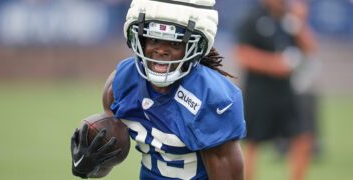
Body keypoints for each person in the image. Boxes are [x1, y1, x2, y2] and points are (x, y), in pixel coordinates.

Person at [70, 0, 247, 179]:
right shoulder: (122, 82)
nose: (161, 50)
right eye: (154, 39)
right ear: (139, 39)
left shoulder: (211, 98)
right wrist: (90, 165)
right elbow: (110, 151)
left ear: (193, 47)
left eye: (175, 43)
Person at [234, 0, 317, 180]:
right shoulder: (252, 19)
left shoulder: (289, 20)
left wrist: (300, 22)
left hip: (286, 91)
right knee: (252, 144)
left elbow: (311, 48)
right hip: (259, 92)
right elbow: (242, 54)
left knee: (302, 139)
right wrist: (274, 64)